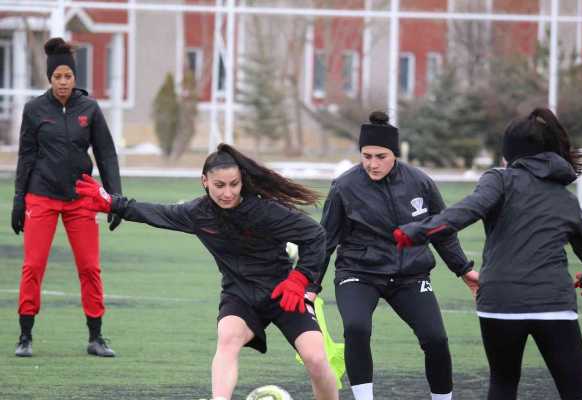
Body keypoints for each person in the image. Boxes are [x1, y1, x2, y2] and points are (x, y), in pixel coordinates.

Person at [75, 143, 339, 400]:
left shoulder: (265, 211)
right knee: (227, 339)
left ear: (242, 182)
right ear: (205, 182)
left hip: (284, 293)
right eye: (219, 185)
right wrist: (112, 203)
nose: (227, 193)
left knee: (316, 359)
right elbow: (156, 213)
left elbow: (315, 235)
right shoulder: (198, 213)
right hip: (240, 295)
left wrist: (300, 279)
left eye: (234, 185)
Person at [394, 108, 582, 400]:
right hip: (553, 302)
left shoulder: (499, 179)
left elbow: (465, 212)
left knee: (503, 385)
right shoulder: (565, 199)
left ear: (511, 156)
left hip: (499, 302)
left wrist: (416, 232)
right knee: (576, 392)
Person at [317, 111, 478, 400]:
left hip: (410, 274)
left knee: (436, 339)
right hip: (359, 272)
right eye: (366, 156)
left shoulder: (421, 183)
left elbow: (441, 230)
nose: (372, 164)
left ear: (395, 154)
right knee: (356, 328)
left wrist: (464, 269)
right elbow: (325, 240)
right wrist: (309, 285)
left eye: (381, 156)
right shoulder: (344, 186)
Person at [11, 37, 122, 358]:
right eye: (57, 77)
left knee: (90, 268)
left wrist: (114, 196)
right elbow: (26, 156)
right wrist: (20, 200)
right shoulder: (34, 110)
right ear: (50, 78)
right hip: (41, 197)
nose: (63, 82)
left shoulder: (89, 109)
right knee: (33, 266)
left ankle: (96, 337)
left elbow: (107, 155)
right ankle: (25, 336)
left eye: (68, 76)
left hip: (80, 199)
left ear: (75, 78)